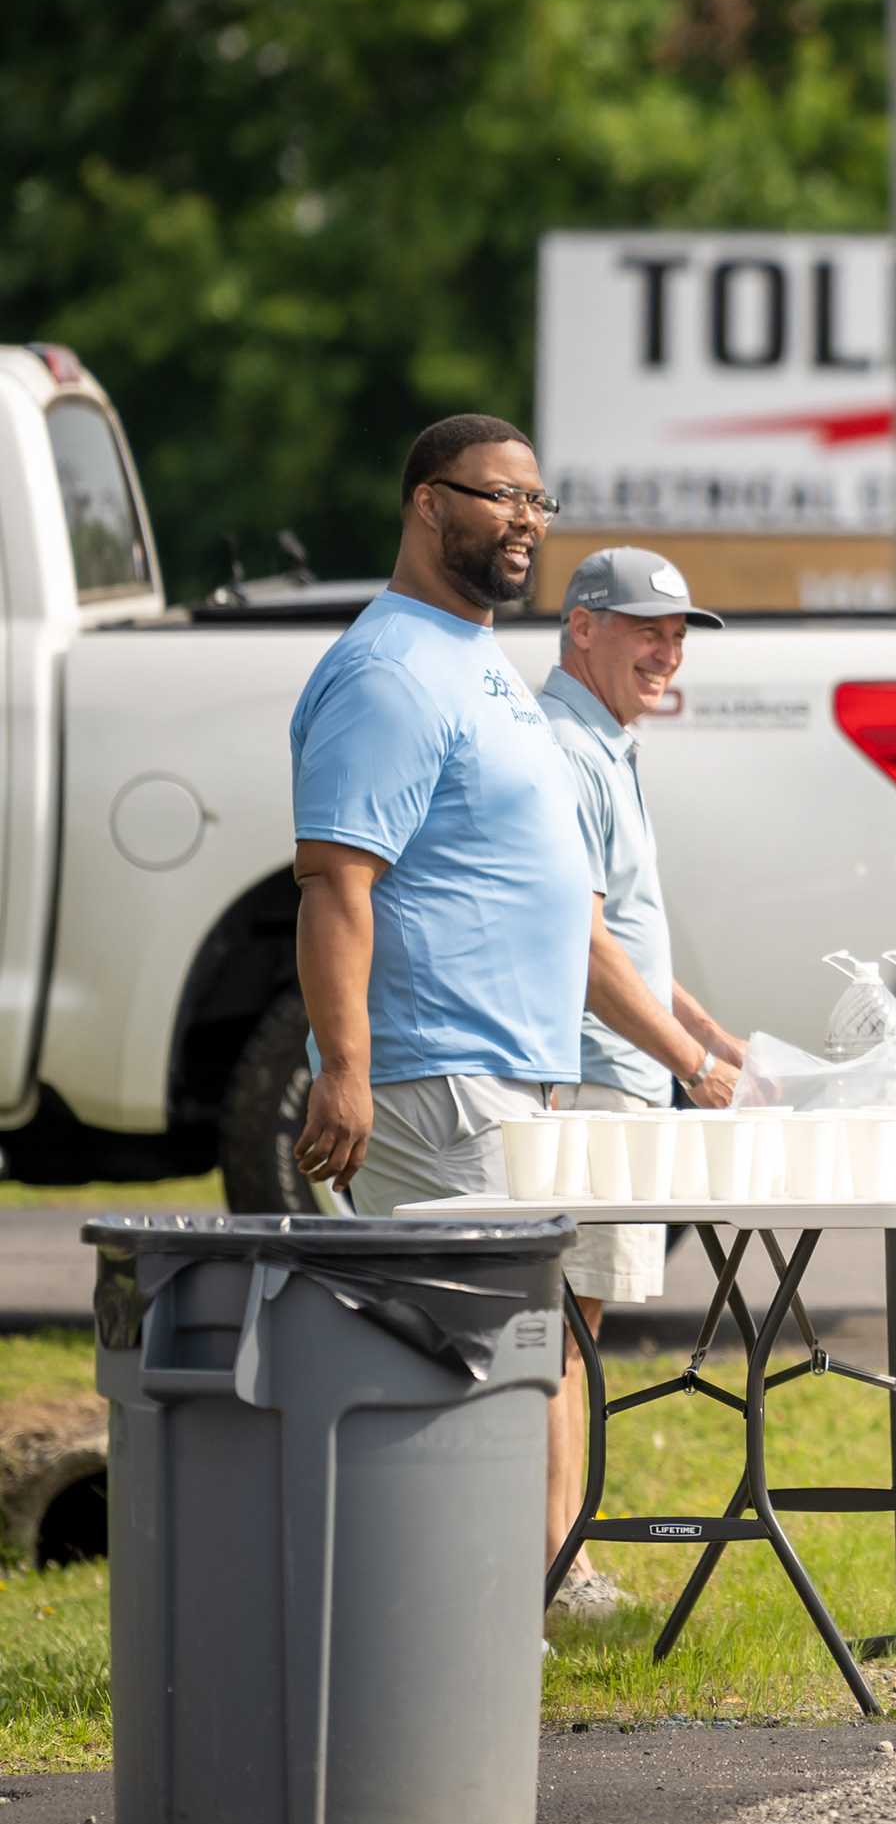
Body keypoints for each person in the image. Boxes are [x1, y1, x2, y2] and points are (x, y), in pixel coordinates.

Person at [288, 417, 598, 1572]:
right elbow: (335, 880)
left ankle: (493, 1608)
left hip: (503, 1078)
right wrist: (346, 1066)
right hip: (438, 1081)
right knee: (470, 1374)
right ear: (428, 502)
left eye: (538, 500)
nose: (526, 520)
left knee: (506, 1365)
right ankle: (450, 1619)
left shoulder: (475, 655)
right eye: (500, 495)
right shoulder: (391, 670)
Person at [536, 546, 749, 1618]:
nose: (667, 653)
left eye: (677, 635)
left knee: (573, 1325)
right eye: (645, 631)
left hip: (615, 1070)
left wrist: (710, 1034)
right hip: (586, 1076)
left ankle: (557, 1563)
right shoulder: (565, 750)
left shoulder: (602, 741)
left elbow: (625, 937)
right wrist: (690, 1064)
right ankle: (557, 1573)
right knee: (559, 1331)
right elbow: (582, 949)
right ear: (583, 627)